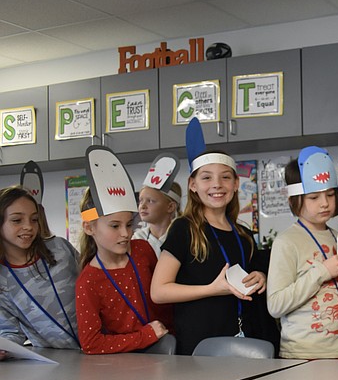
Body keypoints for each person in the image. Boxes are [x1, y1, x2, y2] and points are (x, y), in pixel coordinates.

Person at [151, 118, 277, 355]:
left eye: (226, 177)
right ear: (193, 185)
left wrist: (260, 276)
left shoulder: (245, 234)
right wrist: (212, 288)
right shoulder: (183, 229)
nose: (217, 184)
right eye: (206, 177)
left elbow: (249, 278)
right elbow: (159, 291)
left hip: (245, 344)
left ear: (236, 183)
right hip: (199, 348)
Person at [0, 186, 79, 380]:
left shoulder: (59, 249)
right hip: (58, 364)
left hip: (102, 351)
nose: (28, 227)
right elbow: (9, 330)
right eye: (16, 220)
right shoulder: (1, 277)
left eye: (34, 219)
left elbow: (93, 284)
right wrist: (4, 347)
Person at [266, 148, 338, 359]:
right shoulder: (286, 242)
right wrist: (322, 271)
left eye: (330, 194)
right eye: (313, 197)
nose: (324, 203)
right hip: (304, 354)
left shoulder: (337, 236)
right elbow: (275, 305)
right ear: (294, 199)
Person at [75, 165, 173, 354]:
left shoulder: (142, 251)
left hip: (170, 348)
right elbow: (91, 344)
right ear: (89, 228)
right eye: (114, 226)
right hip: (127, 363)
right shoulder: (88, 282)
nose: (125, 234)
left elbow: (165, 301)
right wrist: (145, 336)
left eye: (129, 225)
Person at [134, 153, 183, 257]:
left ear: (170, 207)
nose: (142, 206)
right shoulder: (137, 238)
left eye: (150, 201)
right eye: (140, 201)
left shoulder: (181, 236)